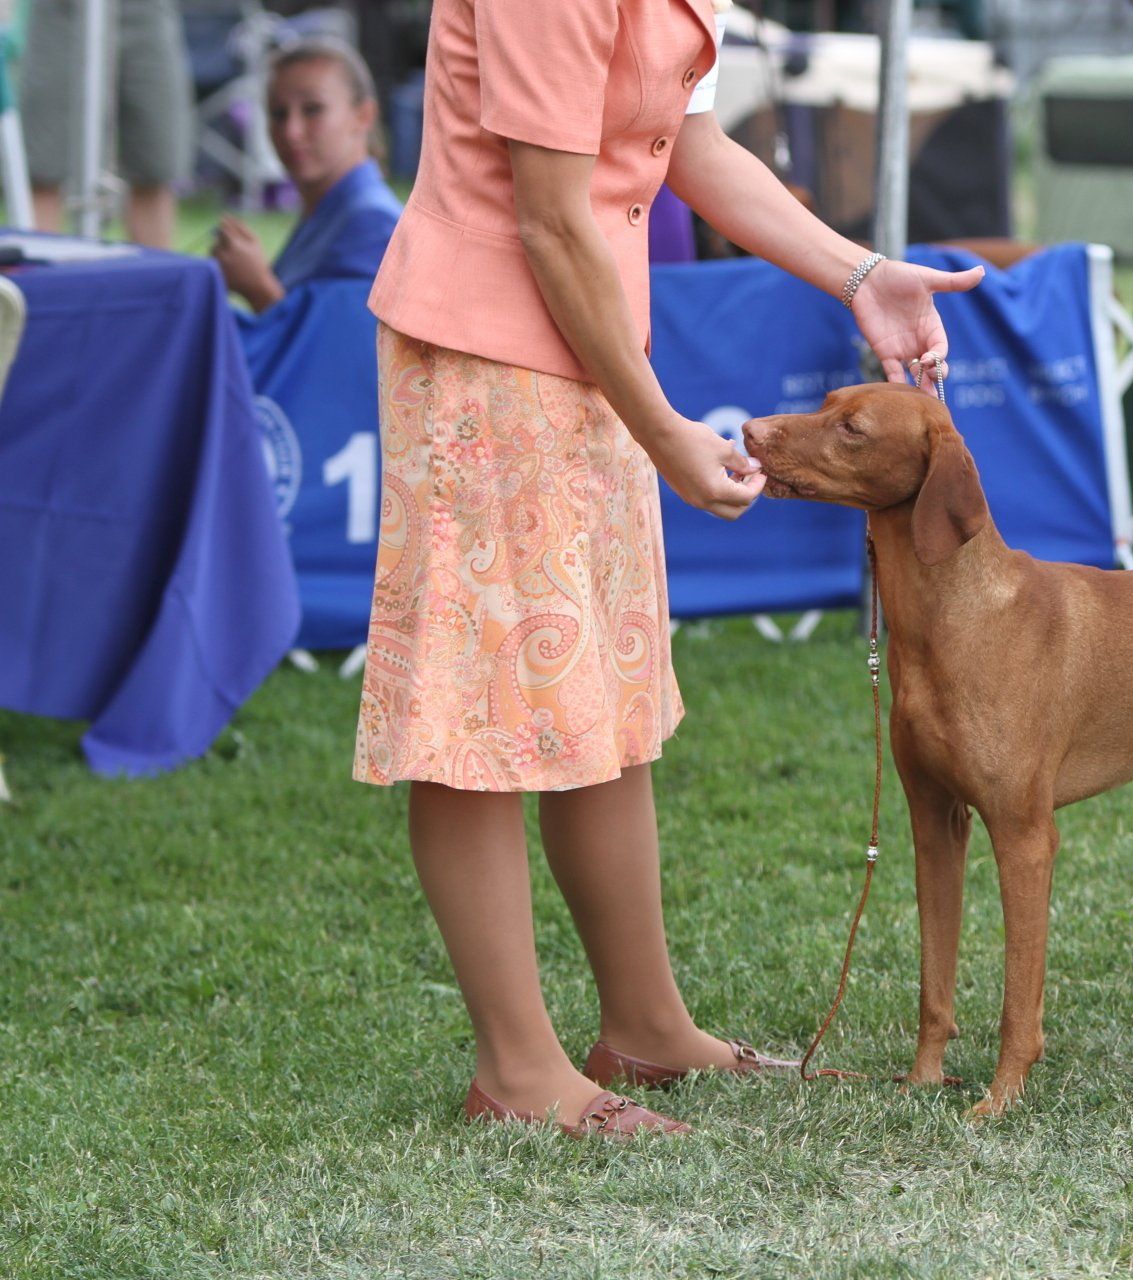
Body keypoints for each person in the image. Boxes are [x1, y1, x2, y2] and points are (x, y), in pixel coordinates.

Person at [353, 0, 981, 1139]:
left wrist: (861, 274)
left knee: (604, 690)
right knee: (477, 712)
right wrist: (660, 428)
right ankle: (517, 1073)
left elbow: (688, 143)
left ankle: (644, 1023)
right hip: (486, 354)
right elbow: (547, 219)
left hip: (587, 342)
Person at [213, 38, 402, 312]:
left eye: (313, 109)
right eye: (278, 114)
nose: (291, 132)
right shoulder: (327, 209)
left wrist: (258, 287)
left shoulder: (373, 223)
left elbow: (337, 347)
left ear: (364, 115)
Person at [23, 0, 193, 248]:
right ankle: (38, 279)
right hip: (61, 10)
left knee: (155, 164)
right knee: (44, 168)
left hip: (147, 10)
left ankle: (151, 281)